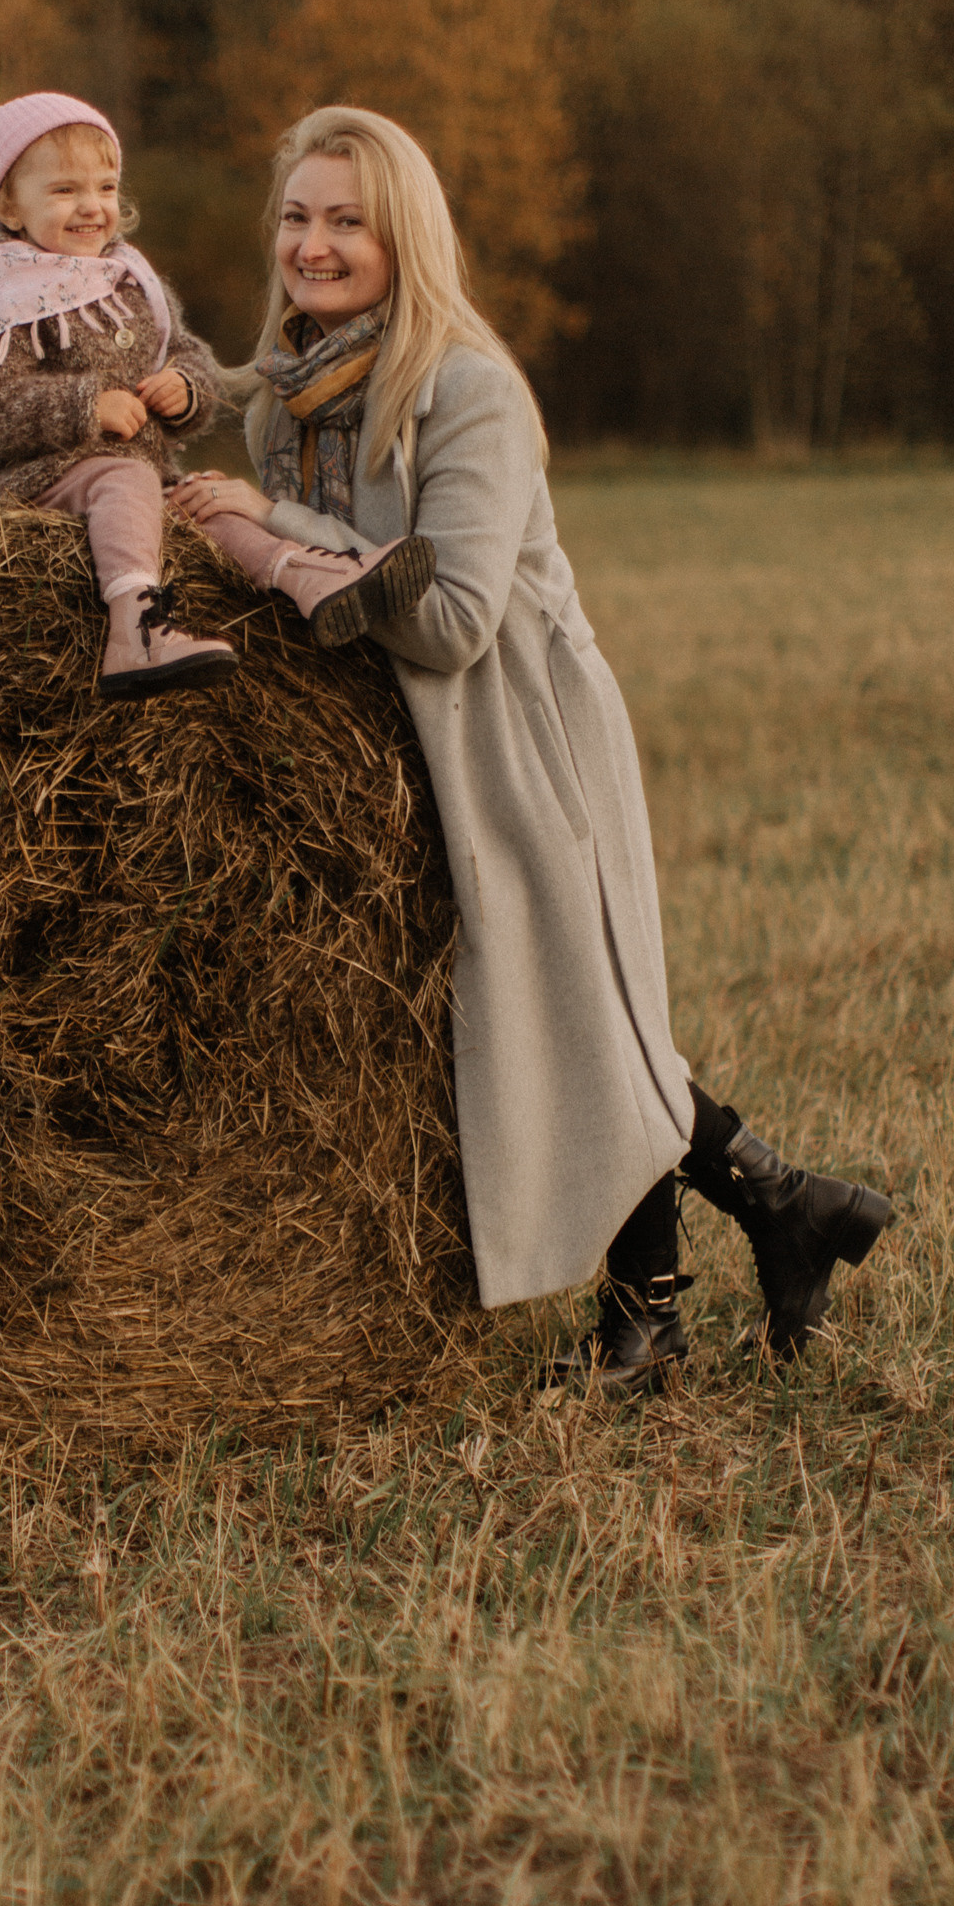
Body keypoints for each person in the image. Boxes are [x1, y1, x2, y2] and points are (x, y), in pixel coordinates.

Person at [168, 105, 892, 1390]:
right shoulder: (284, 399)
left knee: (574, 1012)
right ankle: (783, 1210)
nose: (312, 245)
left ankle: (655, 1319)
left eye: (346, 221)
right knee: (559, 1017)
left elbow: (450, 621)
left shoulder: (467, 391)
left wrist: (271, 525)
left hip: (519, 729)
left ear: (404, 236)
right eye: (295, 217)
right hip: (406, 742)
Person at [0, 92, 241, 700]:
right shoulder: (0, 295)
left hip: (134, 476)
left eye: (106, 188)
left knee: (213, 503)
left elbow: (184, 351)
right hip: (27, 479)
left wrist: (187, 387)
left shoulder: (129, 278)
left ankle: (311, 580)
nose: (92, 206)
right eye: (65, 190)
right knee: (126, 476)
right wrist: (86, 406)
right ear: (9, 205)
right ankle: (137, 629)